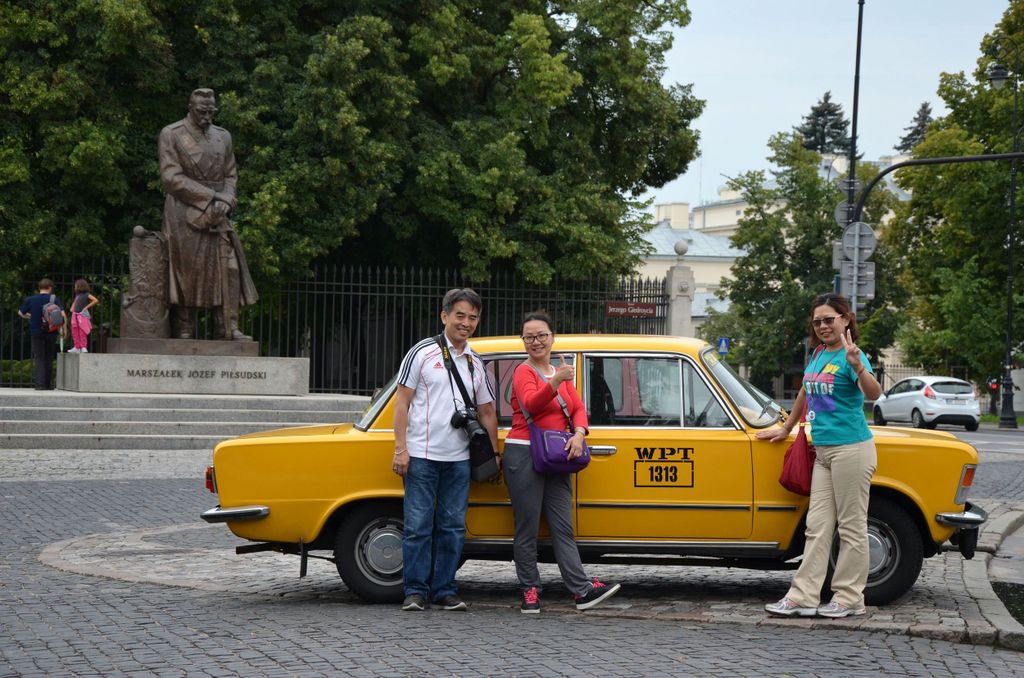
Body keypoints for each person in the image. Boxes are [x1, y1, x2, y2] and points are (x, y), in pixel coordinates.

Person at [758, 293, 882, 619]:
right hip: (823, 451)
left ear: (845, 319)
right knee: (816, 526)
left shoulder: (852, 355)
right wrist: (786, 428)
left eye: (829, 319)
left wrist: (858, 366)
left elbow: (873, 393)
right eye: (817, 321)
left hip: (851, 449)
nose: (823, 326)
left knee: (852, 527)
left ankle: (850, 598)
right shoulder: (818, 353)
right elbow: (805, 390)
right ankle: (803, 596)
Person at [505, 311, 621, 614]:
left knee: (562, 526)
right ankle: (530, 591)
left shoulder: (561, 370)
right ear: (523, 341)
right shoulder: (524, 372)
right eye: (529, 336)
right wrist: (555, 381)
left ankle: (581, 590)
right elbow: (532, 404)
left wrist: (580, 434)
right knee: (527, 526)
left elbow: (579, 408)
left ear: (552, 337)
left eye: (542, 335)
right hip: (524, 451)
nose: (536, 342)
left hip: (558, 454)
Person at [392, 288, 499, 612]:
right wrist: (400, 449)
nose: (466, 323)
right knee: (417, 527)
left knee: (452, 527)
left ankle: (445, 589)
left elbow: (488, 411)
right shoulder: (422, 353)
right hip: (423, 455)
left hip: (459, 458)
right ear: (444, 316)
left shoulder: (474, 361)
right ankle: (415, 591)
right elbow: (402, 402)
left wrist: (492, 457)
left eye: (473, 317)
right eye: (460, 316)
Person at [159, 88, 258, 340]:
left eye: (211, 111)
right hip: (185, 212)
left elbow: (230, 174)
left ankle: (228, 326)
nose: (207, 116)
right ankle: (184, 326)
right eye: (202, 111)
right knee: (187, 269)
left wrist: (227, 199)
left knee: (229, 267)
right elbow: (171, 177)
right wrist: (212, 196)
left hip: (218, 213)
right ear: (191, 108)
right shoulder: (172, 134)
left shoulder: (223, 137)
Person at [17, 278, 67, 390]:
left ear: (39, 288)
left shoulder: (31, 299)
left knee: (39, 358)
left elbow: (20, 313)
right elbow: (62, 315)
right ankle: (48, 384)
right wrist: (64, 329)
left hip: (36, 332)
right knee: (49, 357)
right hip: (51, 331)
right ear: (49, 288)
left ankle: (40, 385)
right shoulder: (54, 299)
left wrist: (30, 316)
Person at [68, 279, 99, 353]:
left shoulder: (87, 294)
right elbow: (75, 303)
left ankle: (83, 346)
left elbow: (95, 300)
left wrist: (86, 307)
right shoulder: (77, 295)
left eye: (76, 285)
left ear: (79, 286)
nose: (75, 287)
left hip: (81, 315)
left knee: (82, 331)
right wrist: (72, 309)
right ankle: (77, 347)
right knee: (75, 331)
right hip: (75, 315)